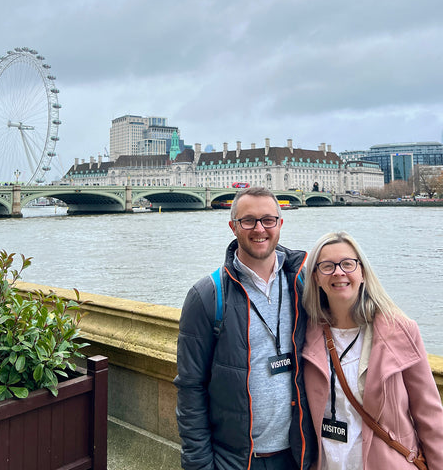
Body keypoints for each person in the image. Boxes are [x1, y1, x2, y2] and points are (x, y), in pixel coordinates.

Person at [174, 187, 317, 470]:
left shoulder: (304, 283)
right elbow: (191, 389)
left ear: (280, 224)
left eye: (268, 220)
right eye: (248, 220)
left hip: (298, 455)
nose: (259, 229)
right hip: (236, 461)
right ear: (233, 227)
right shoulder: (207, 295)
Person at [302, 231, 443, 470]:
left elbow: (429, 415)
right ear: (315, 277)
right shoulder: (304, 333)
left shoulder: (400, 331)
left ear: (363, 272)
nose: (339, 272)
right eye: (327, 266)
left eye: (348, 264)